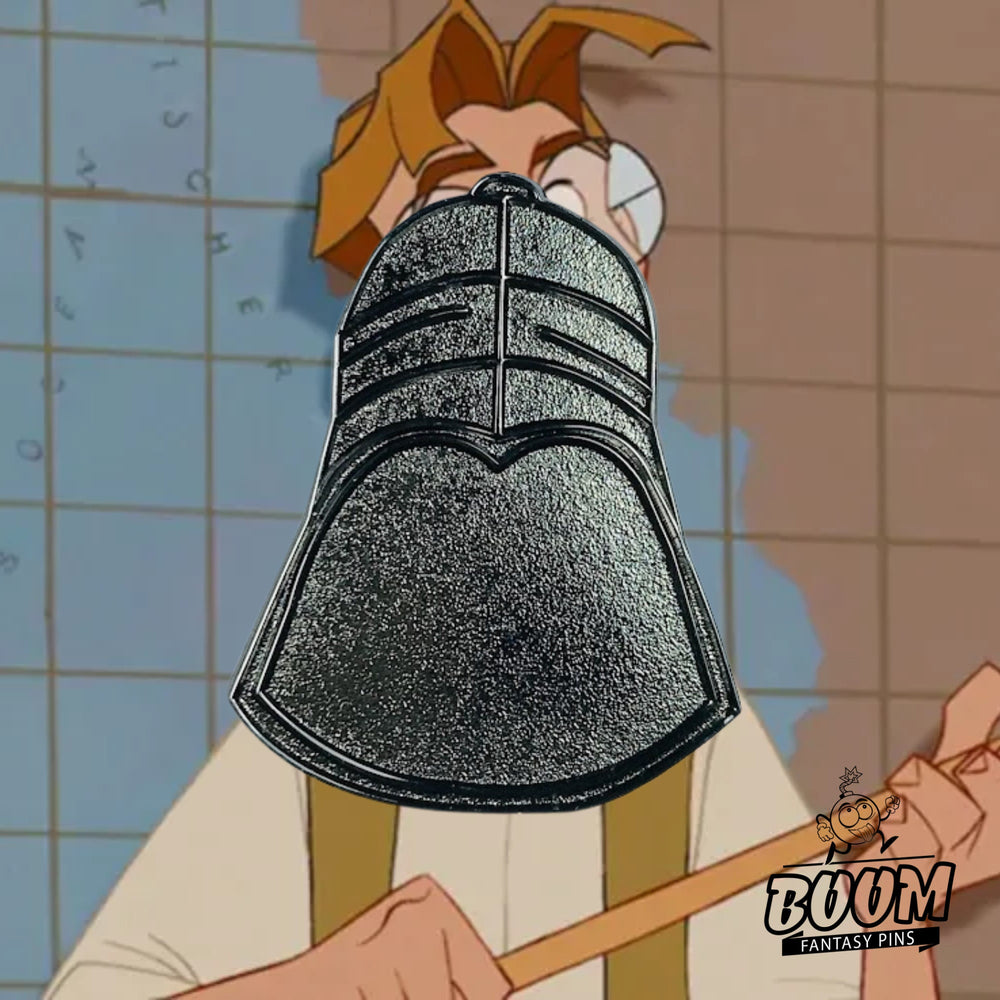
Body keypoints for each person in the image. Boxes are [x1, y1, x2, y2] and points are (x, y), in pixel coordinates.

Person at [41, 3, 1000, 998]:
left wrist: (905, 882)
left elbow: (831, 980)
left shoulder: (681, 728)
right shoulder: (312, 737)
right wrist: (319, 984)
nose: (514, 226)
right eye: (453, 194)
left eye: (569, 191)